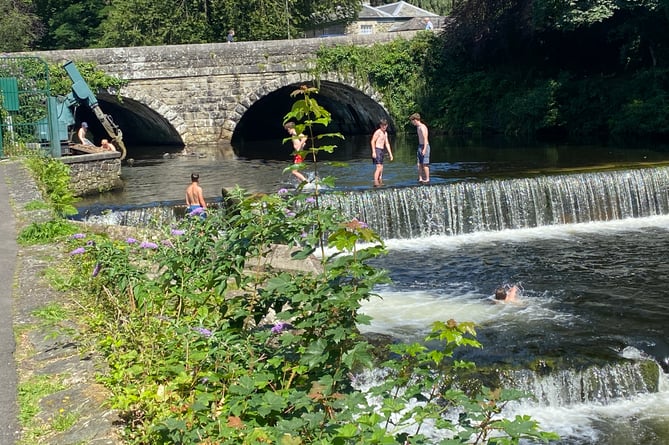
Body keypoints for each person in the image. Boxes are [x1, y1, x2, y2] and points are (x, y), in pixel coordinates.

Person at [370, 118, 393, 187]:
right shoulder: (378, 132)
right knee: (379, 167)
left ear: (387, 125)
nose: (384, 127)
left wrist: (390, 154)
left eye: (385, 125)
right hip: (377, 150)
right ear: (380, 125)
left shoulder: (385, 133)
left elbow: (387, 143)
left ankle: (380, 180)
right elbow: (372, 141)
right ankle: (376, 182)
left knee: (381, 167)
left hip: (381, 150)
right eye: (382, 125)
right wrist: (373, 152)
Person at [410, 113, 430, 183]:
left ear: (415, 120)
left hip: (425, 146)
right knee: (419, 163)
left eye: (412, 121)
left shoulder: (422, 127)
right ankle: (420, 178)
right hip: (420, 146)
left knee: (425, 164)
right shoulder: (418, 127)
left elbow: (425, 138)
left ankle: (427, 179)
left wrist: (424, 149)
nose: (412, 123)